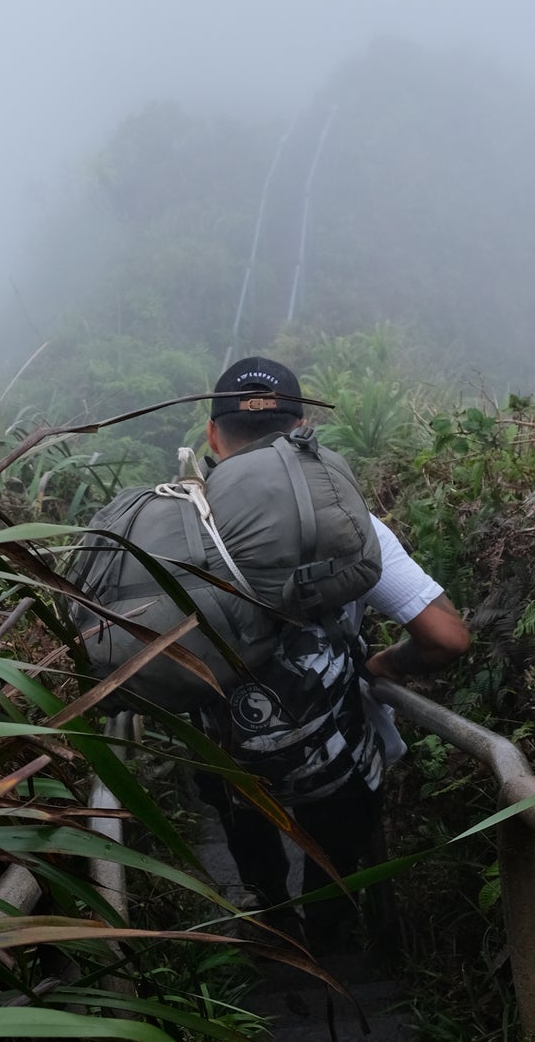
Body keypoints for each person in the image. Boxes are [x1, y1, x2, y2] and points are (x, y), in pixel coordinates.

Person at [193, 355, 471, 947]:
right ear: (300, 433)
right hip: (332, 754)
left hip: (223, 752)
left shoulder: (183, 527)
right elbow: (447, 637)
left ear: (213, 436)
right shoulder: (348, 524)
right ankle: (329, 942)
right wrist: (382, 666)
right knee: (337, 837)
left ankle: (271, 921)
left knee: (244, 819)